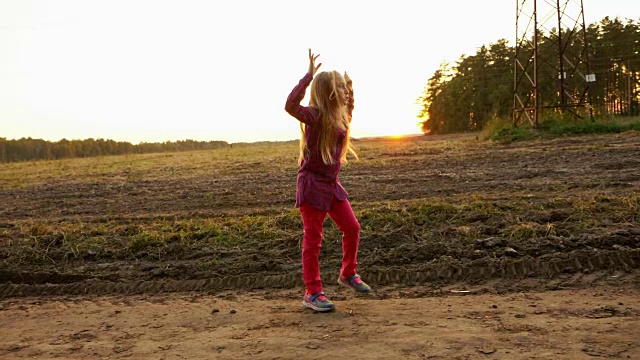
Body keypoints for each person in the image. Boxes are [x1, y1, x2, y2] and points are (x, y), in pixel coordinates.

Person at [285, 49, 370, 312]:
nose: (345, 93)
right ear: (330, 92)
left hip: (331, 186)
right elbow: (290, 106)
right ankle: (312, 292)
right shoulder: (315, 116)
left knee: (352, 227)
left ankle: (348, 273)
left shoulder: (340, 116)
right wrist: (307, 77)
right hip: (311, 185)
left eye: (346, 89)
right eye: (342, 89)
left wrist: (351, 89)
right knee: (313, 240)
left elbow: (350, 107)